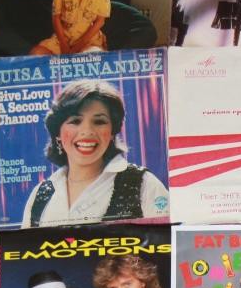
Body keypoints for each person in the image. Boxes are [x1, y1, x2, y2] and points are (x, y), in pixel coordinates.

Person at [21, 79, 168, 228]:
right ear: (57, 132)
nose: (87, 131)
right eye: (75, 121)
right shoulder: (39, 196)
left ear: (112, 132)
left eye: (99, 122)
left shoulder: (145, 185)